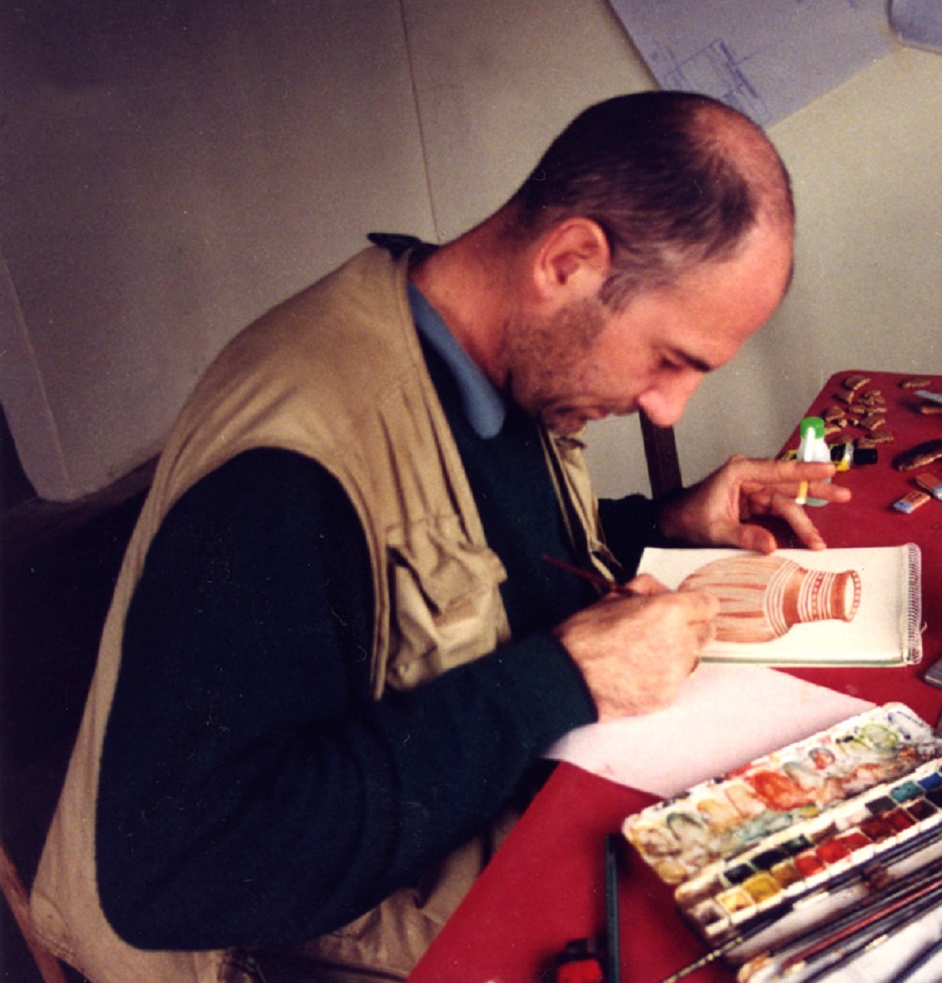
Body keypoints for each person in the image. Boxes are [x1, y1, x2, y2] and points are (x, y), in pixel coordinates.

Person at [30, 91, 847, 983]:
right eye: (670, 359)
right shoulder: (287, 470)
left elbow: (457, 564)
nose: (667, 406)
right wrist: (564, 678)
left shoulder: (486, 351)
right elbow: (176, 877)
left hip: (487, 851)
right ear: (570, 259)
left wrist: (662, 521)